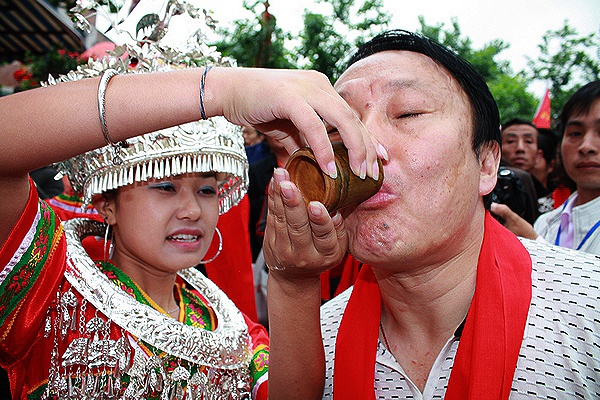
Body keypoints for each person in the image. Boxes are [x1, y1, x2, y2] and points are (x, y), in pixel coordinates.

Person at [0, 43, 382, 400]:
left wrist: (294, 281)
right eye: (165, 186)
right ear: (106, 203)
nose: (192, 211)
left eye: (206, 190)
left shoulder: (230, 327)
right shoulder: (47, 286)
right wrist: (220, 91)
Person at [263, 30, 600, 399]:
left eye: (407, 112)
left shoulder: (588, 307)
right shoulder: (314, 345)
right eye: (334, 127)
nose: (363, 144)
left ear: (486, 163)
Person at [493, 80, 600, 255]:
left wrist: (536, 246)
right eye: (575, 133)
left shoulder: (533, 233)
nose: (586, 146)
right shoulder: (546, 222)